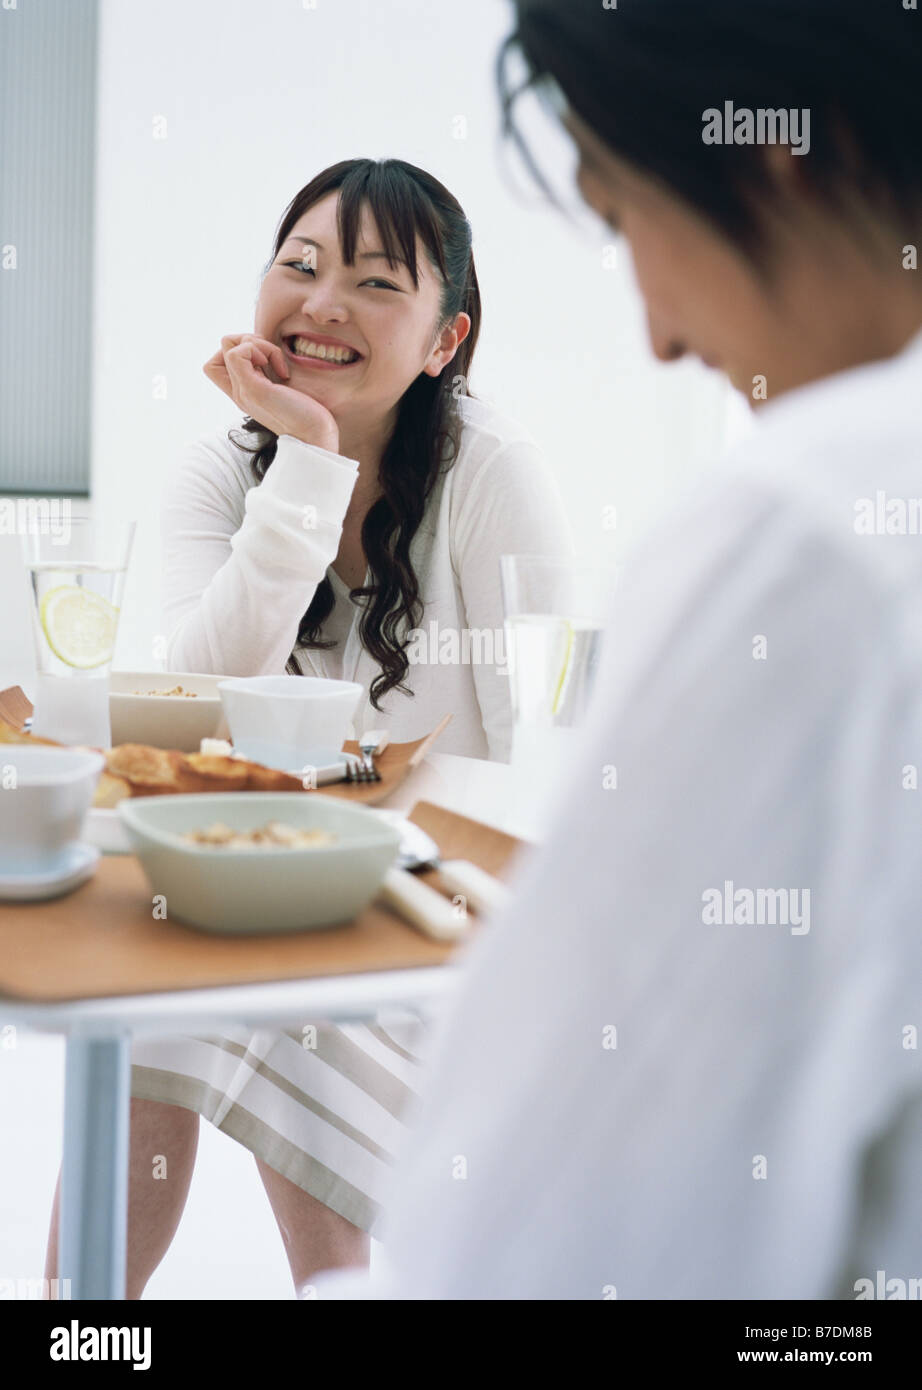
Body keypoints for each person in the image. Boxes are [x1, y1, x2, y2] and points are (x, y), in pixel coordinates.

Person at [314, 0, 922, 1298]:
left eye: (622, 219)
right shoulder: (249, 459)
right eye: (302, 263)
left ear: (774, 153)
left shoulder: (805, 529)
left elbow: (543, 1251)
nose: (653, 334)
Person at [42, 158, 569, 1297]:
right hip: (296, 908)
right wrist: (307, 466)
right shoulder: (215, 473)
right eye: (300, 264)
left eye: (377, 282)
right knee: (179, 988)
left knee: (181, 1006)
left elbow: (558, 741)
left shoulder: (492, 472)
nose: (323, 302)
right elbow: (191, 707)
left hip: (444, 932)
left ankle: (73, 1316)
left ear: (444, 339)